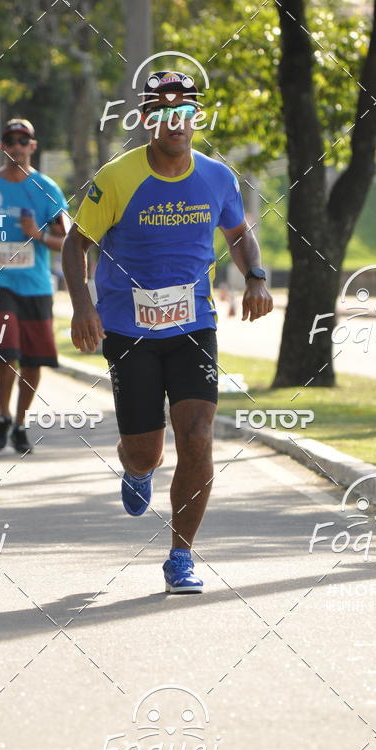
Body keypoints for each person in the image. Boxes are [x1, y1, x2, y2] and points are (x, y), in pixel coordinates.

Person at [62, 70, 273, 594]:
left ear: (195, 117)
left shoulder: (217, 177)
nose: (174, 121)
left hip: (193, 325)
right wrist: (83, 305)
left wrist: (256, 277)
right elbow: (75, 243)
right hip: (128, 329)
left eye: (183, 111)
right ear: (146, 119)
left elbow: (239, 233)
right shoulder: (117, 177)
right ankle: (136, 470)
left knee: (198, 435)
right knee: (145, 452)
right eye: (162, 111)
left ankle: (181, 555)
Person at [0, 119, 70, 453]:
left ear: (33, 146)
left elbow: (66, 240)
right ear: (2, 146)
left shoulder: (47, 188)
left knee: (34, 362)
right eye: (10, 140)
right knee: (7, 353)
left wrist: (37, 234)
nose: (17, 146)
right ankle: (3, 413)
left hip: (36, 286)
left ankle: (20, 422)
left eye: (24, 141)